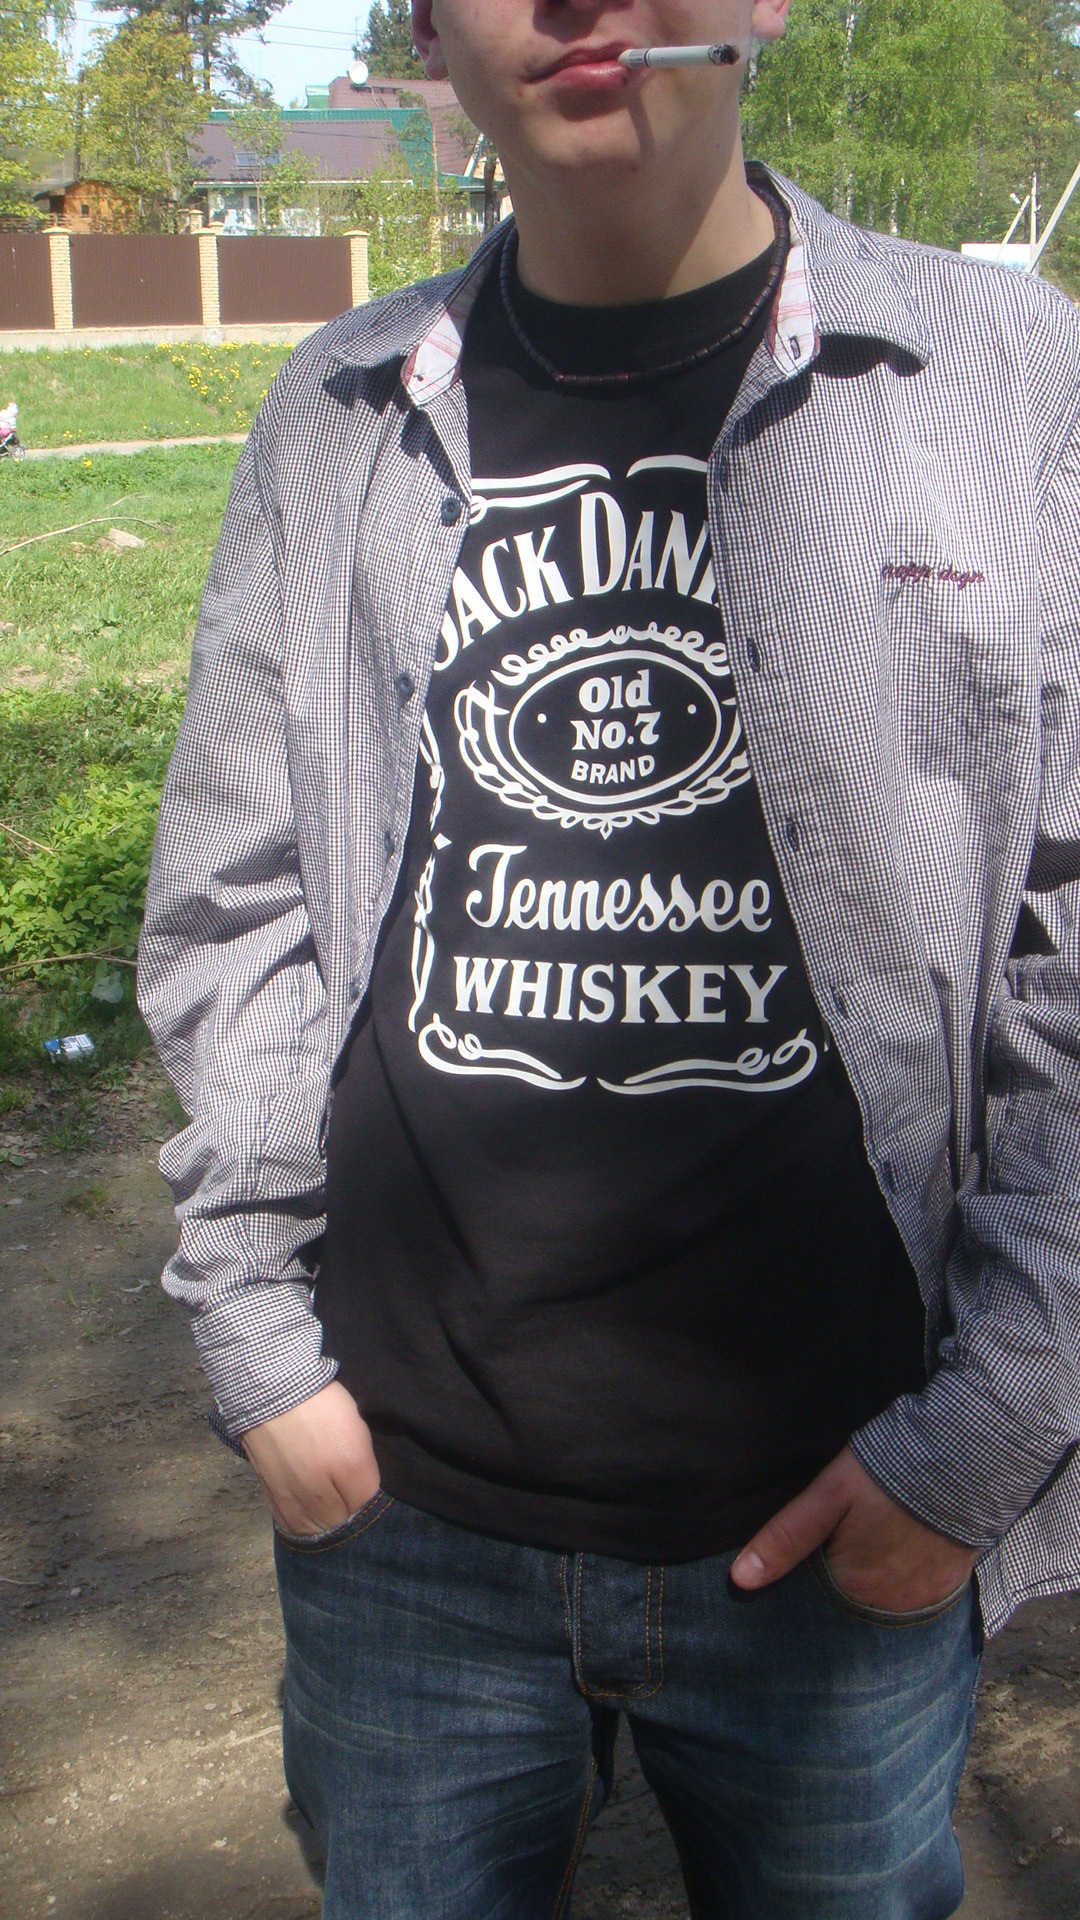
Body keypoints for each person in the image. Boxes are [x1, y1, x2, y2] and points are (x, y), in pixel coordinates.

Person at [138, 3, 1080, 1915]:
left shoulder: (1013, 382)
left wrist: (986, 1436)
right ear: (429, 27)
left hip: (850, 1507)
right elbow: (232, 898)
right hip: (400, 1517)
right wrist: (255, 1337)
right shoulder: (338, 411)